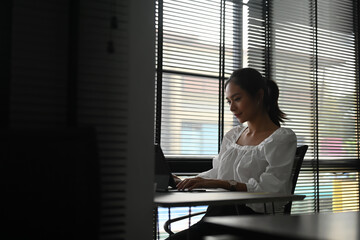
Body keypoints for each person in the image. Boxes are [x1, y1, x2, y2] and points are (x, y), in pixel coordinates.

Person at [167, 68, 297, 240]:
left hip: (251, 223)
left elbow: (272, 190)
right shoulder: (233, 135)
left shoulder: (281, 138)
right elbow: (217, 172)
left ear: (258, 96)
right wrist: (189, 181)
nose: (231, 107)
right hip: (218, 216)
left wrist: (224, 183)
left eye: (237, 99)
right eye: (228, 101)